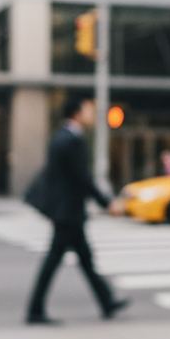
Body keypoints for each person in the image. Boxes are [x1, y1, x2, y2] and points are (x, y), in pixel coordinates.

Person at [25, 96, 130, 325]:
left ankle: (107, 301)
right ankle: (35, 310)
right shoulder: (73, 140)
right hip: (68, 213)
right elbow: (82, 179)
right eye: (88, 110)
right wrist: (107, 202)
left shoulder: (60, 137)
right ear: (76, 114)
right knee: (57, 261)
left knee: (84, 259)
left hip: (66, 211)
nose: (91, 114)